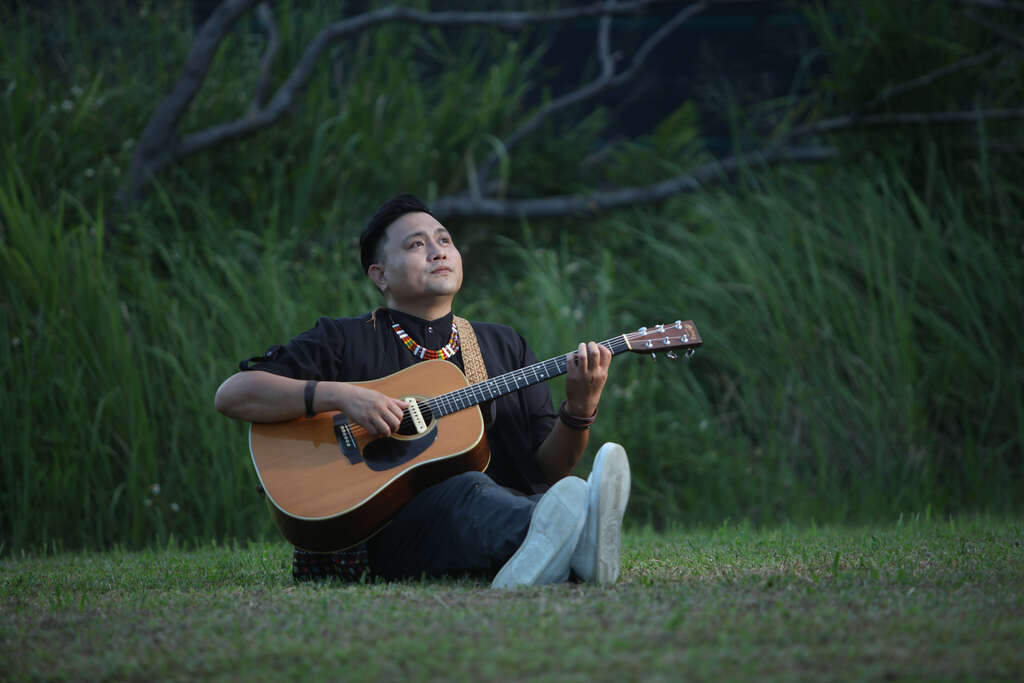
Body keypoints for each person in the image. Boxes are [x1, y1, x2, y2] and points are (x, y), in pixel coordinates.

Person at [214, 194, 630, 587]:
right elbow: (234, 394)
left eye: (445, 240)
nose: (438, 251)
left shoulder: (505, 346)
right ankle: (571, 530)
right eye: (416, 244)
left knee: (532, 494)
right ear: (380, 275)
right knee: (470, 489)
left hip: (494, 516)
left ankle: (552, 543)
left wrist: (580, 409)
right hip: (385, 531)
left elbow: (548, 471)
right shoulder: (342, 340)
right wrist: (340, 396)